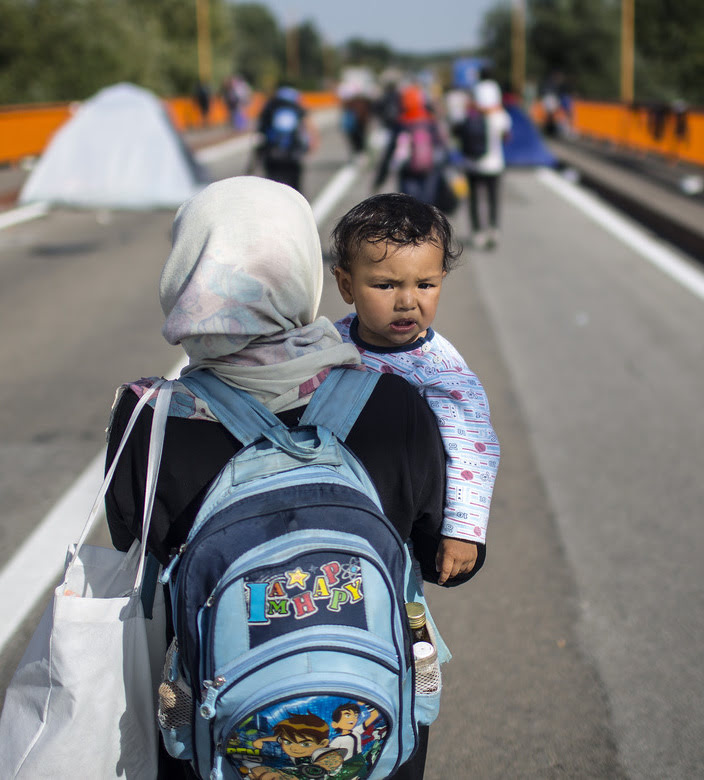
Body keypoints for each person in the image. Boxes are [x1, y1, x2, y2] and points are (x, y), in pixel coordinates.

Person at [104, 177, 483, 780]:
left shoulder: (147, 417)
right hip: (365, 724)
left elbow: (133, 537)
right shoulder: (394, 400)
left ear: (187, 271)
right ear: (309, 271)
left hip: (220, 723)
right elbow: (429, 537)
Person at [330, 192, 498, 568]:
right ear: (346, 286)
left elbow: (473, 445)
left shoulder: (438, 368)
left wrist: (462, 531)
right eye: (386, 286)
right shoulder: (330, 341)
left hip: (397, 521)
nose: (407, 301)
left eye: (425, 285)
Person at [373, 85, 448, 208]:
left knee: (409, 205)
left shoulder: (401, 123)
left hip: (407, 169)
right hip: (430, 168)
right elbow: (441, 146)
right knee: (428, 206)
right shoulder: (430, 120)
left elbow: (390, 151)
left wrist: (380, 178)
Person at [462, 74, 511, 249]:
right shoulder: (500, 116)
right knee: (493, 198)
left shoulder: (470, 115)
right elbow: (506, 137)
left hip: (472, 164)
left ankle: (477, 232)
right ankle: (493, 229)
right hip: (494, 164)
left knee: (475, 199)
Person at [253, 85, 319, 192]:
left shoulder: (271, 106)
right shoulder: (296, 107)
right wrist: (313, 143)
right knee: (295, 187)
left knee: (273, 186)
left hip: (272, 153)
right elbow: (309, 126)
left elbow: (260, 130)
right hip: (293, 153)